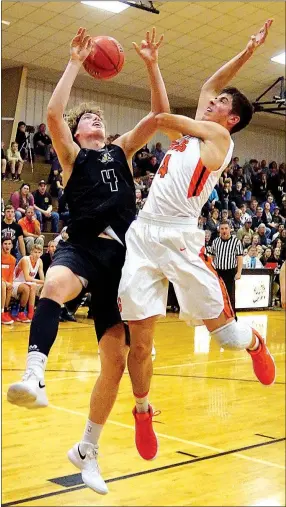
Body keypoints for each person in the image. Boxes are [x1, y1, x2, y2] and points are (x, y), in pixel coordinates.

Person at [7, 26, 171, 494]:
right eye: (90, 117)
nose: (97, 119)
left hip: (122, 258)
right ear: (79, 132)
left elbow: (160, 115)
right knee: (54, 284)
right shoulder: (71, 155)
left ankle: (87, 449)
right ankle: (34, 374)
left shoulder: (121, 151)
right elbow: (54, 112)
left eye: (101, 116)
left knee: (116, 363)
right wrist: (75, 62)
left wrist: (152, 64)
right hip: (81, 244)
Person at [118, 20, 275, 463]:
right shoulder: (188, 138)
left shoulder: (219, 140)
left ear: (232, 119)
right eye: (216, 99)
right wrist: (153, 66)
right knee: (141, 339)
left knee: (225, 338)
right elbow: (200, 89)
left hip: (182, 238)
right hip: (144, 233)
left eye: (222, 102)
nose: (213, 99)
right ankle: (143, 411)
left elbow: (162, 115)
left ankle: (254, 344)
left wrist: (156, 100)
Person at [210, 221, 243, 318]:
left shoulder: (236, 241)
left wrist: (239, 272)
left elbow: (239, 257)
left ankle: (233, 316)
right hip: (218, 272)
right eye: (222, 229)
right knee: (218, 295)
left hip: (230, 271)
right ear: (219, 230)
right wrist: (212, 271)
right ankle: (220, 316)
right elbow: (212, 256)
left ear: (230, 229)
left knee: (230, 296)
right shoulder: (215, 241)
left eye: (226, 228)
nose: (224, 231)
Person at [12, 244, 45, 322]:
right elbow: (27, 278)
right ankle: (21, 312)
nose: (37, 254)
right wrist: (42, 281)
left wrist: (45, 283)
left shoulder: (40, 261)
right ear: (31, 252)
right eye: (35, 252)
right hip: (16, 282)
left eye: (39, 252)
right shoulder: (25, 260)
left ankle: (31, 313)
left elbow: (42, 277)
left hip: (29, 283)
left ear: (41, 253)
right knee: (28, 287)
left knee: (34, 286)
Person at [1, 238, 16, 325]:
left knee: (10, 287)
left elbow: (11, 274)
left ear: (12, 246)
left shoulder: (13, 259)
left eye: (9, 244)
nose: (7, 246)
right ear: (1, 245)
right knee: (3, 284)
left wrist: (10, 283)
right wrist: (5, 282)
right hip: (2, 282)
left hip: (5, 282)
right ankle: (1, 313)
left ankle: (6, 310)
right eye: (5, 243)